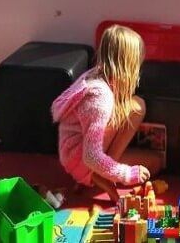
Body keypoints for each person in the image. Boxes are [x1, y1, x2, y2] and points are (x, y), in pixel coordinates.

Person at [52, 25, 155, 201]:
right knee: (155, 162)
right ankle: (95, 175)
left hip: (76, 151)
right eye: (137, 63)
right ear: (127, 64)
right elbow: (91, 156)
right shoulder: (100, 97)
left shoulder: (96, 74)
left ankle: (102, 173)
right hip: (81, 160)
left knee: (137, 105)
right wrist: (126, 174)